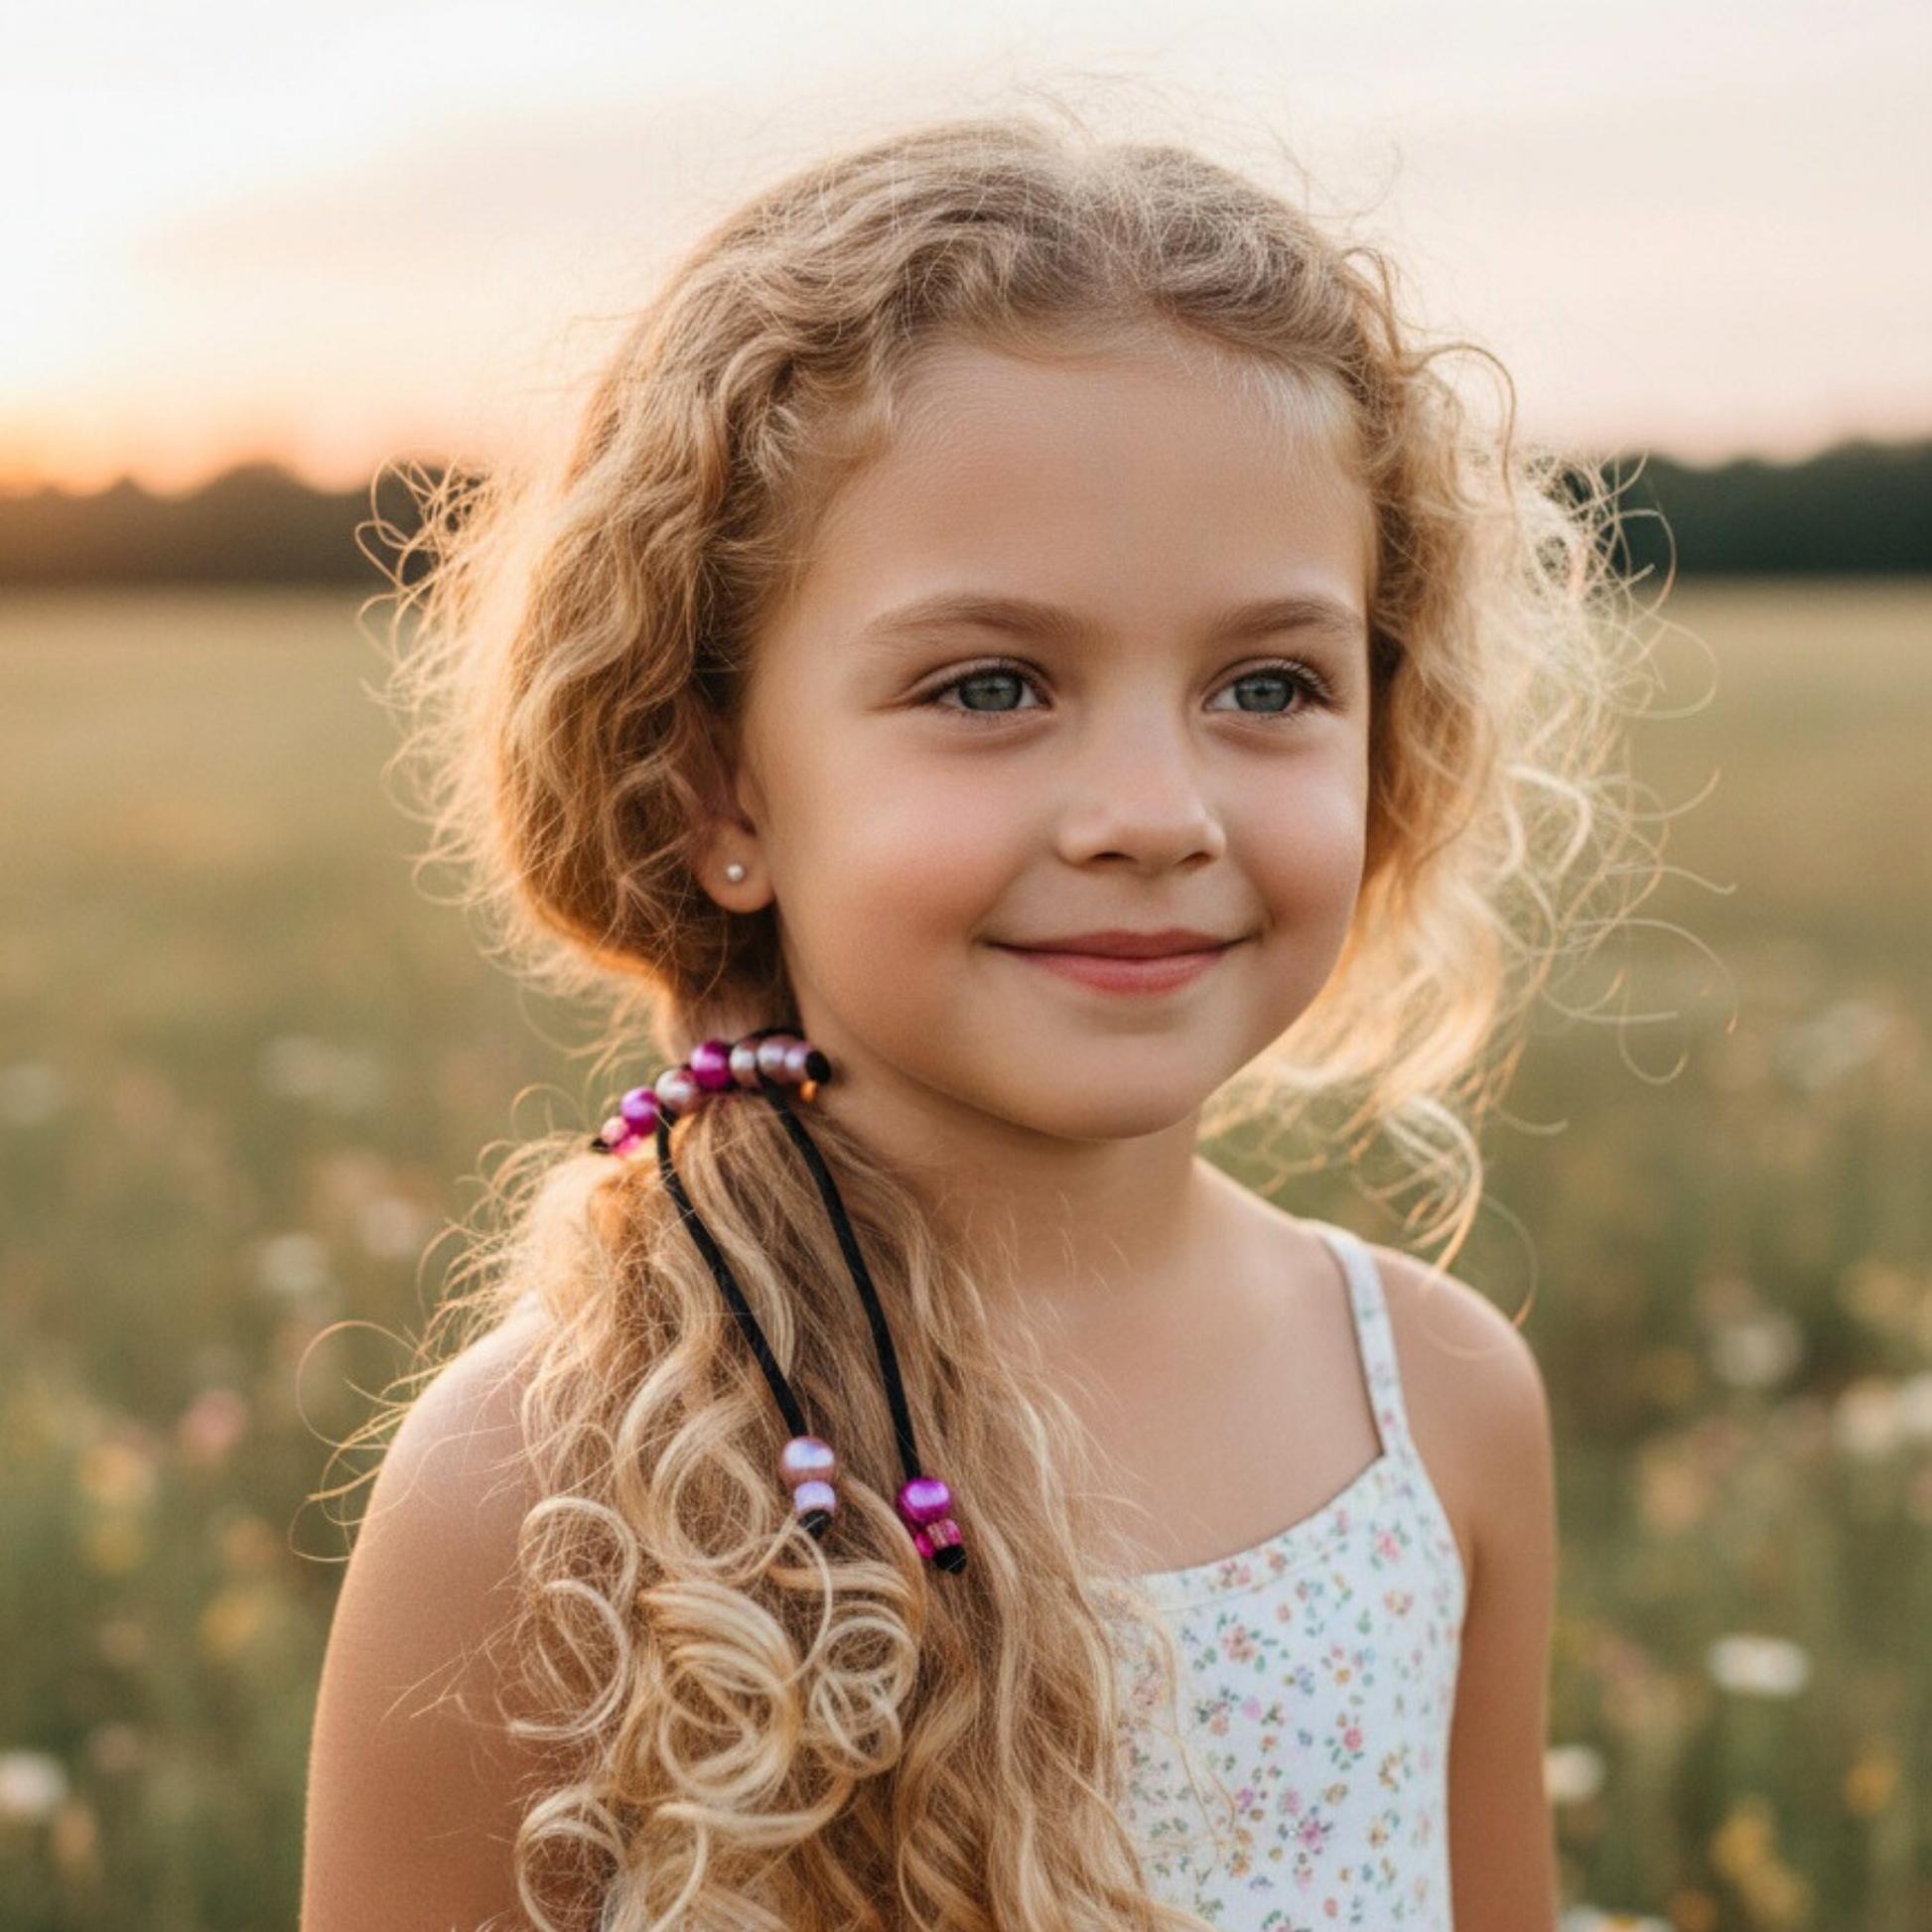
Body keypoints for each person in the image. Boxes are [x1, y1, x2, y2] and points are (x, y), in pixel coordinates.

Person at [302, 104, 1656, 1932]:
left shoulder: (1435, 1408)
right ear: (719, 791)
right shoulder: (536, 1482)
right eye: (991, 683)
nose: (1152, 809)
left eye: (1267, 682)